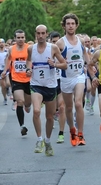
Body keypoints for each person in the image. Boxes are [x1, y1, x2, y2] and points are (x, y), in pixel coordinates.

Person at [26, 25, 67, 155]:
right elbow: (28, 61)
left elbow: (64, 64)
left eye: (43, 33)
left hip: (50, 86)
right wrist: (28, 69)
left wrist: (54, 64)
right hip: (36, 85)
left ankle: (47, 141)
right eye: (38, 33)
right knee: (36, 111)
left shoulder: (53, 48)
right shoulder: (31, 49)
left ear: (46, 34)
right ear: (35, 34)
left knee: (50, 117)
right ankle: (39, 139)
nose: (41, 36)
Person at [56, 13, 91, 146]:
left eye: (72, 24)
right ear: (64, 26)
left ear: (76, 25)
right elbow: (55, 58)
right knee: (68, 108)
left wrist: (91, 65)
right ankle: (72, 130)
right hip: (66, 78)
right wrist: (58, 62)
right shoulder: (60, 43)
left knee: (78, 103)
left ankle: (81, 134)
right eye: (68, 24)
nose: (70, 26)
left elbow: (85, 55)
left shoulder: (80, 40)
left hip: (79, 76)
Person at [2, 30, 32, 136]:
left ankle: (28, 106)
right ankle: (22, 126)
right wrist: (5, 70)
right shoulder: (11, 49)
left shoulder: (29, 48)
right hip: (16, 79)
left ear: (25, 38)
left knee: (27, 103)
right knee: (20, 101)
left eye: (22, 37)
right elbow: (8, 60)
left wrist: (30, 69)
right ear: (15, 39)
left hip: (28, 79)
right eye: (18, 38)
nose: (20, 39)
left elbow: (33, 60)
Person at [0, 38, 10, 105]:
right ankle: (5, 98)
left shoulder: (7, 51)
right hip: (0, 70)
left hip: (7, 69)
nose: (1, 44)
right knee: (3, 85)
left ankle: (8, 89)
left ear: (4, 43)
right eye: (0, 42)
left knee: (8, 83)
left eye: (2, 42)